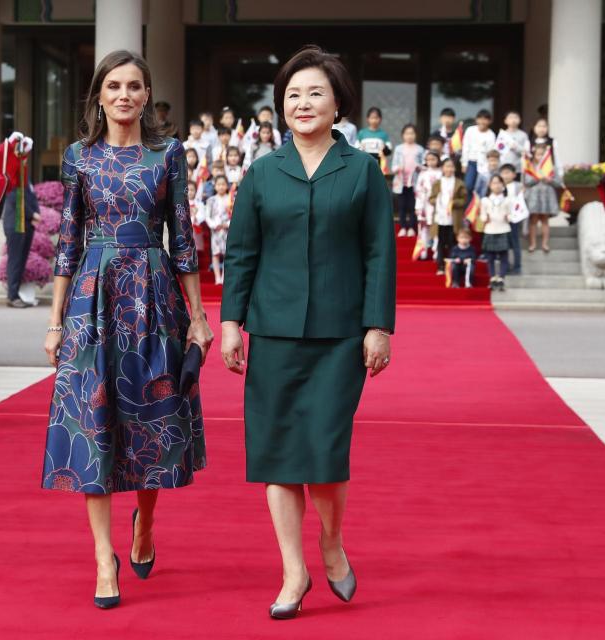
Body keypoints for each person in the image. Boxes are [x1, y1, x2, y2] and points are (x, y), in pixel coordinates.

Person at [221, 45, 395, 620]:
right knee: (275, 456)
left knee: (324, 453)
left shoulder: (363, 171)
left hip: (341, 335)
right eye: (292, 94)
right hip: (272, 332)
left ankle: (332, 540)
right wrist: (230, 324)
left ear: (338, 102)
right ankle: (293, 572)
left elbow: (379, 254)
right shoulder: (263, 172)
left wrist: (378, 327)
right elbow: (242, 254)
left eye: (315, 92)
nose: (302, 103)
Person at [41, 50, 214, 611]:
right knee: (92, 423)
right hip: (93, 298)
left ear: (146, 95)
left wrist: (198, 315)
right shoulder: (79, 158)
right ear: (99, 95)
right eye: (113, 86)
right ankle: (101, 557)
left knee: (148, 418)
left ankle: (144, 523)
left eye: (134, 86)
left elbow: (182, 238)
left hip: (153, 296)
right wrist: (54, 321)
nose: (124, 95)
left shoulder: (168, 154)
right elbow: (68, 240)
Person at [2, 178, 41, 308]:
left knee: (21, 261)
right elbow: (16, 200)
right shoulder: (14, 179)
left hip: (27, 225)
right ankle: (12, 296)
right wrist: (33, 215)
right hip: (16, 224)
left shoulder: (26, 179)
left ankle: (15, 295)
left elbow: (32, 198)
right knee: (15, 261)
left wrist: (37, 214)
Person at [429, 157, 467, 276]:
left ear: (455, 168)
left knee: (451, 242)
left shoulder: (459, 183)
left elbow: (464, 200)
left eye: (451, 166)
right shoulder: (437, 183)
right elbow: (431, 199)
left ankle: (451, 265)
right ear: (442, 168)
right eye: (446, 166)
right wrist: (438, 200)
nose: (449, 169)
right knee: (440, 242)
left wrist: (454, 203)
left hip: (453, 218)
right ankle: (440, 266)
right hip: (440, 218)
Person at [524, 143, 561, 252]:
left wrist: (550, 180)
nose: (540, 157)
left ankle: (545, 244)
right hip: (534, 196)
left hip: (547, 196)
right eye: (538, 154)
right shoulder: (530, 166)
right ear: (534, 155)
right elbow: (527, 181)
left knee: (545, 220)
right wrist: (538, 177)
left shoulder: (552, 167)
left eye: (543, 154)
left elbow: (559, 183)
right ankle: (533, 244)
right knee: (533, 220)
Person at [391, 123, 424, 237]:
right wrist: (398, 168)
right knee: (402, 206)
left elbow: (424, 167)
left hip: (415, 183)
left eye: (412, 133)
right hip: (401, 182)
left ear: (416, 135)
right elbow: (393, 166)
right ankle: (403, 227)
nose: (409, 136)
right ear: (403, 135)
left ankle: (411, 227)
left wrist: (419, 167)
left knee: (413, 206)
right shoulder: (399, 149)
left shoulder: (420, 149)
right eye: (407, 133)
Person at [481, 174, 513, 291]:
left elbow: (512, 215)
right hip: (490, 229)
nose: (496, 185)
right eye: (494, 183)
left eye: (499, 182)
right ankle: (492, 278)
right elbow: (482, 215)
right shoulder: (485, 200)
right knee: (490, 257)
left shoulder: (507, 200)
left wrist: (508, 217)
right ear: (490, 185)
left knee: (503, 256)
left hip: (503, 229)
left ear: (503, 185)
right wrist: (485, 218)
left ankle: (501, 278)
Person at [461, 109, 496, 200]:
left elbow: (491, 152)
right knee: (468, 186)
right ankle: (469, 209)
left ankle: (479, 209)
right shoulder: (470, 130)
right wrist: (464, 163)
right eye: (480, 119)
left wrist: (490, 166)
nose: (482, 121)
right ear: (476, 120)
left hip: (484, 164)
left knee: (482, 188)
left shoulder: (491, 135)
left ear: (490, 121)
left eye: (485, 119)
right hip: (471, 162)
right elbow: (465, 147)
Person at [414, 151, 442, 260]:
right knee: (424, 227)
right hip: (424, 203)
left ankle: (436, 249)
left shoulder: (441, 173)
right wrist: (418, 206)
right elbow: (418, 191)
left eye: (433, 159)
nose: (430, 162)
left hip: (437, 204)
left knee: (437, 227)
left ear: (438, 160)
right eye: (428, 160)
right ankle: (423, 249)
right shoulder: (423, 173)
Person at [205, 174, 231, 285]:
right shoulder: (211, 200)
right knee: (215, 254)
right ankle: (217, 277)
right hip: (215, 230)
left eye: (223, 184)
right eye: (219, 184)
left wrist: (228, 224)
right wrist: (214, 225)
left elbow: (235, 215)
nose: (221, 187)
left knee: (226, 254)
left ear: (227, 186)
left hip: (227, 231)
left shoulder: (231, 199)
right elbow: (207, 216)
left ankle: (224, 277)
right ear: (215, 186)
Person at [500, 163, 525, 274]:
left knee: (515, 243)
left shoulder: (518, 186)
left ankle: (517, 266)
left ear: (514, 174)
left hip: (514, 218)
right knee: (504, 244)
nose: (505, 176)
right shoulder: (499, 186)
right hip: (502, 219)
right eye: (503, 173)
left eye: (508, 173)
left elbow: (521, 203)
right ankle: (506, 265)